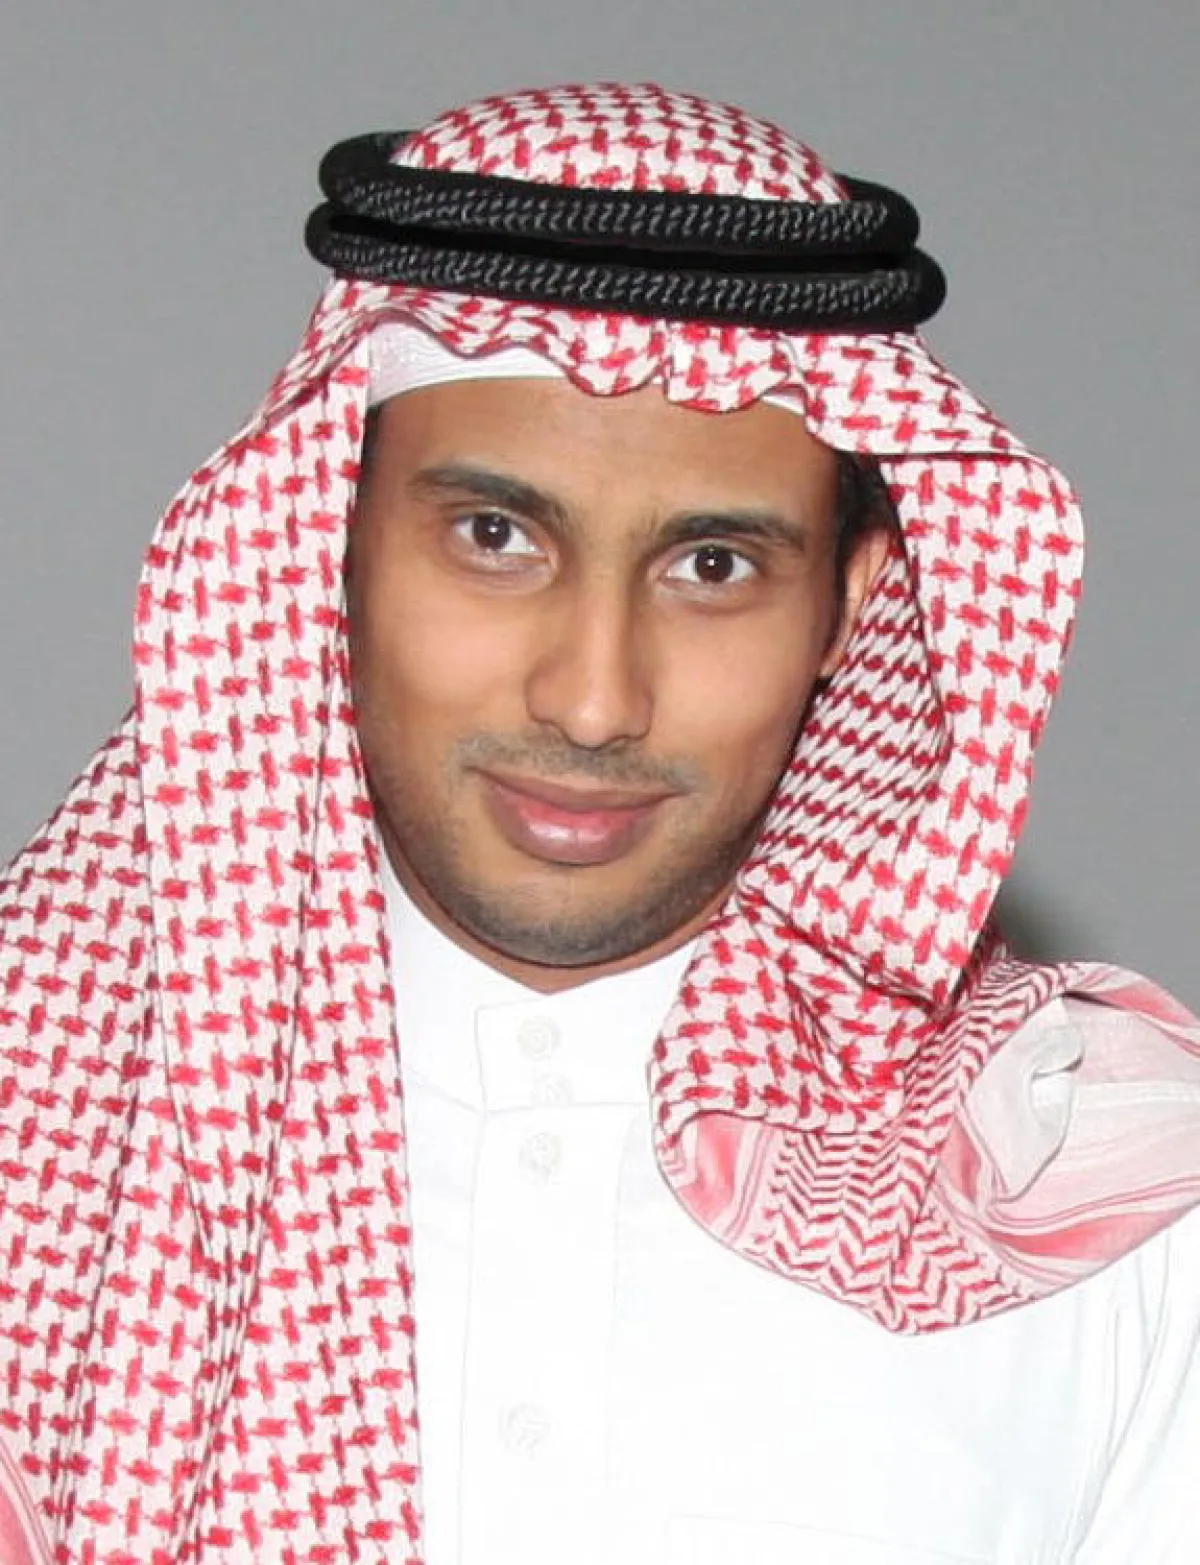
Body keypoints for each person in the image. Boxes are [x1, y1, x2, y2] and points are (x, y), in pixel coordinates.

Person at [1, 80, 1198, 1565]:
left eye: (713, 566)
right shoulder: (40, 1125)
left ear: (854, 603)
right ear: (324, 548)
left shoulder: (1106, 1200)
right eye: (495, 537)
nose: (591, 700)